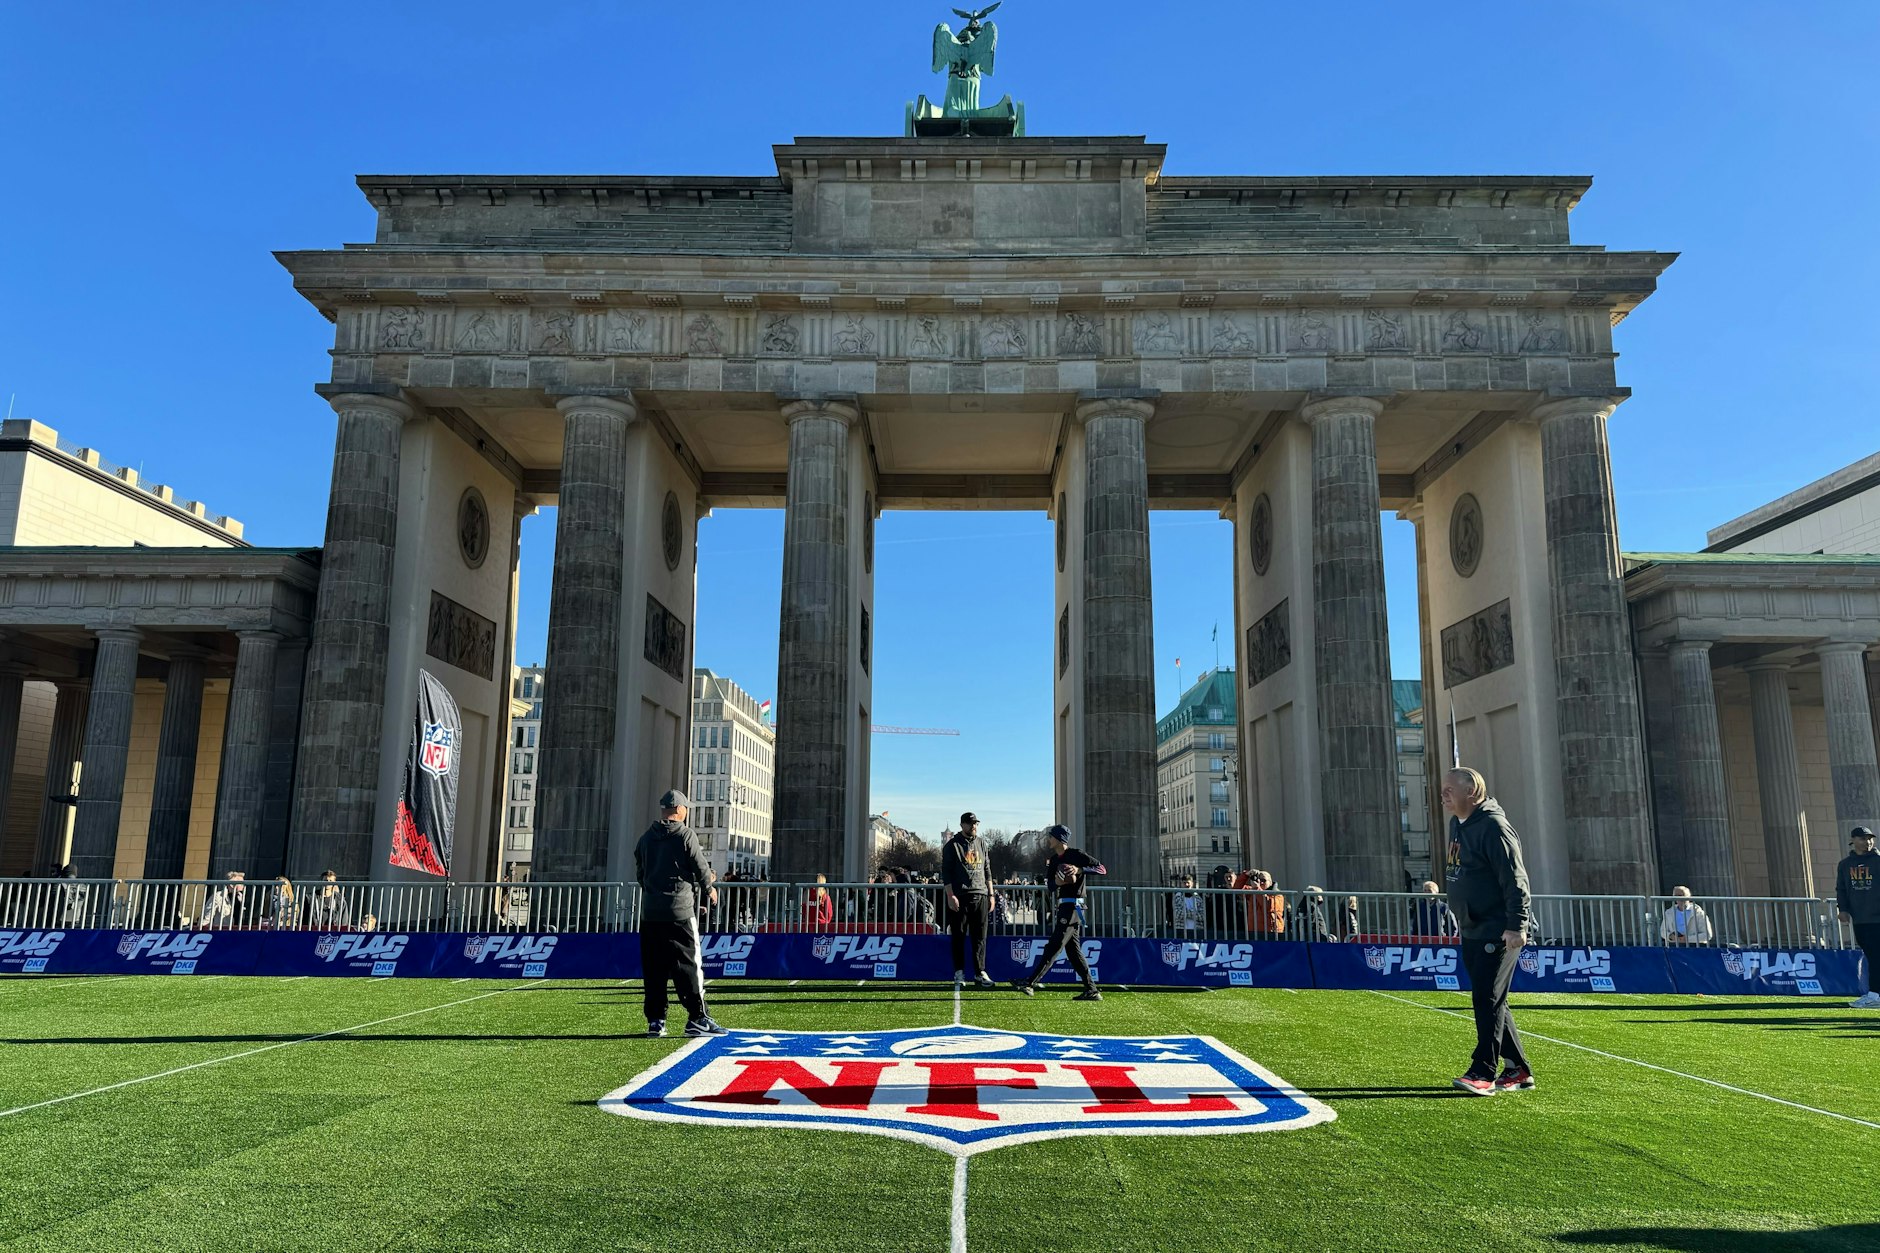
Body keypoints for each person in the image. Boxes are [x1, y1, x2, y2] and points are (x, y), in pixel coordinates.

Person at [1442, 766, 1534, 1096]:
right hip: (1472, 927)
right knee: (1492, 999)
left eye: (1450, 789)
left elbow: (1516, 880)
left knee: (1487, 999)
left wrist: (1516, 926)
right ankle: (1519, 1070)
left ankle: (1483, 1070)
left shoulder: (1494, 826)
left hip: (1497, 930)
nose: (1444, 795)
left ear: (1471, 791)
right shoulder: (1457, 824)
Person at [633, 789, 726, 1038]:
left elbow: (640, 872)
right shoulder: (685, 835)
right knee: (689, 966)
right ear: (680, 810)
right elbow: (700, 866)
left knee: (654, 969)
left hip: (651, 913)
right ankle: (697, 1017)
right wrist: (710, 889)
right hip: (680, 912)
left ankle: (656, 1020)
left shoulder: (645, 838)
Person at [1012, 825, 1104, 1001]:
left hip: (1074, 907)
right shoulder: (1054, 860)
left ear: (1060, 839)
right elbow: (1050, 887)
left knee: (1054, 945)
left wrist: (1080, 870)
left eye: (1051, 837)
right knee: (1074, 952)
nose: (1048, 840)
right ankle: (1092, 990)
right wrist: (1058, 882)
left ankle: (1030, 982)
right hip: (1064, 906)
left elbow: (1101, 869)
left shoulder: (1077, 855)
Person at [942, 812, 996, 987]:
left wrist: (991, 894)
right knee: (958, 936)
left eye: (976, 823)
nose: (974, 826)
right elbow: (947, 873)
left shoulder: (981, 843)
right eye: (970, 824)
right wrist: (951, 896)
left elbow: (987, 869)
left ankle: (980, 972)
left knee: (980, 936)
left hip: (980, 894)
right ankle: (959, 972)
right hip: (960, 895)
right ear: (962, 825)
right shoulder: (952, 845)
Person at [1836, 827, 1880, 1009]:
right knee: (1873, 956)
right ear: (1853, 840)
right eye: (1863, 838)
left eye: (1870, 838)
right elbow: (1842, 889)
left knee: (1877, 957)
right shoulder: (1845, 864)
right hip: (1861, 919)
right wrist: (1843, 909)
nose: (1868, 842)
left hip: (1878, 918)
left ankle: (1875, 995)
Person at [1244, 869, 1286, 939]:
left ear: (1270, 882)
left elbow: (1268, 905)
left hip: (1271, 934)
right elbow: (1236, 889)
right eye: (1258, 880)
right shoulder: (1254, 890)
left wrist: (1257, 889)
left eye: (1263, 880)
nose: (1261, 882)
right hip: (1254, 933)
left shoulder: (1277, 895)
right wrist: (1246, 875)